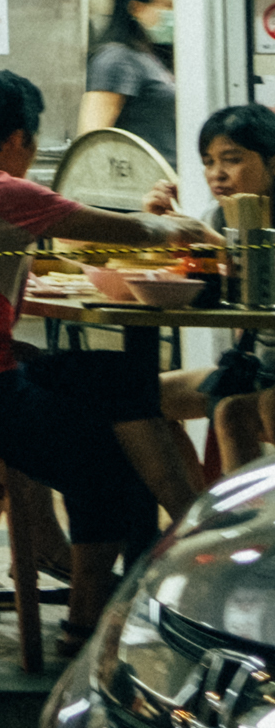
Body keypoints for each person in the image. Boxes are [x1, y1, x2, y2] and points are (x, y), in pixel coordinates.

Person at [0, 70, 216, 642]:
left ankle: (181, 535)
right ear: (16, 140)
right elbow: (129, 234)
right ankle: (93, 613)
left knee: (116, 377)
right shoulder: (3, 191)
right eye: (31, 142)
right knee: (107, 456)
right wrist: (195, 233)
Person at [146, 104, 275, 472]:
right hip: (254, 371)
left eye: (231, 160)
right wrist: (155, 229)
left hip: (261, 379)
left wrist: (214, 244)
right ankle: (193, 513)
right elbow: (179, 279)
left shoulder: (218, 227)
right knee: (141, 400)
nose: (216, 174)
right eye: (208, 162)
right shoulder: (216, 217)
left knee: (233, 412)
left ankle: (236, 526)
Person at [77, 0, 177, 159]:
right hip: (142, 183)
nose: (174, 13)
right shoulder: (117, 59)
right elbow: (91, 138)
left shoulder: (151, 57)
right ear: (137, 8)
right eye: (167, 5)